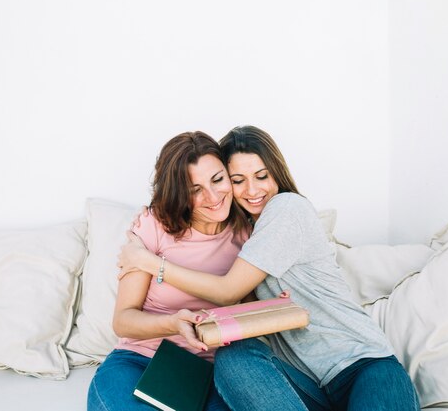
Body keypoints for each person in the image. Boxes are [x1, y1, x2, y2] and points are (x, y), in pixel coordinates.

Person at [117, 125, 421, 411]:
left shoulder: (287, 208)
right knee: (234, 357)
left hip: (362, 365)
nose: (252, 190)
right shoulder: (243, 233)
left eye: (262, 176)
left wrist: (149, 262)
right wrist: (151, 220)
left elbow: (227, 292)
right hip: (303, 384)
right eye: (238, 180)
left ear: (277, 173)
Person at [87, 131, 248, 411]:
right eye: (195, 189)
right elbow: (123, 321)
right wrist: (173, 323)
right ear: (179, 194)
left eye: (218, 179)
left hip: (210, 375)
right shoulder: (154, 225)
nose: (213, 196)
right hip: (140, 361)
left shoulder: (247, 234)